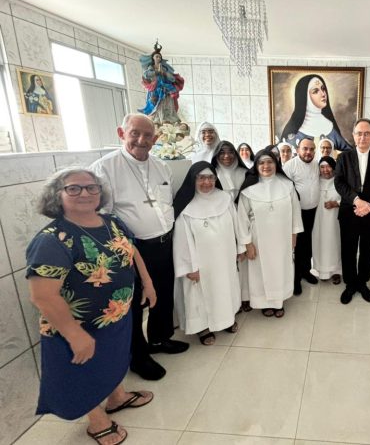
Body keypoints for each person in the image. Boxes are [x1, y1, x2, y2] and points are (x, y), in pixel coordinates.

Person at [26, 167, 155, 444]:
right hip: (76, 325)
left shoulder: (112, 222)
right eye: (73, 188)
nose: (84, 193)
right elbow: (42, 296)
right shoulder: (52, 239)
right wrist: (74, 334)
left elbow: (131, 250)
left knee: (113, 360)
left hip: (115, 315)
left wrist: (147, 282)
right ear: (57, 196)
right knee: (83, 373)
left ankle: (117, 397)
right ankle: (97, 421)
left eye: (91, 187)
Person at [91, 113, 189, 382]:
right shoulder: (104, 168)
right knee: (133, 303)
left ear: (156, 139)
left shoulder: (161, 166)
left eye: (148, 135)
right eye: (135, 133)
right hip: (132, 249)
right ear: (121, 133)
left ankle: (160, 338)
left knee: (163, 294)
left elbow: (165, 202)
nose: (141, 140)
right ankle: (138, 355)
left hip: (164, 242)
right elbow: (103, 216)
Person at [172, 162, 243, 345]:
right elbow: (181, 240)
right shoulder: (186, 206)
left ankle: (226, 319)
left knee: (225, 287)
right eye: (201, 178)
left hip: (225, 258)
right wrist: (190, 266)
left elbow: (237, 225)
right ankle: (203, 328)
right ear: (193, 180)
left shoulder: (225, 198)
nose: (207, 182)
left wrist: (240, 248)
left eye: (211, 178)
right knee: (200, 294)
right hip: (199, 263)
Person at [236, 150, 304, 317]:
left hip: (282, 237)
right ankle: (263, 302)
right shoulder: (248, 189)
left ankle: (279, 301)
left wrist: (294, 234)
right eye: (261, 163)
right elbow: (242, 219)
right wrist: (247, 244)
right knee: (260, 271)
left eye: (270, 162)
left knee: (280, 268)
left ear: (276, 164)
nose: (266, 166)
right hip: (258, 239)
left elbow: (296, 211)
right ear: (256, 166)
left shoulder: (287, 185)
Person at [334, 118, 370, 304]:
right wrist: (357, 201)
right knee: (348, 250)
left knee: (367, 250)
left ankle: (362, 283)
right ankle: (350, 284)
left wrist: (369, 205)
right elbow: (339, 183)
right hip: (349, 212)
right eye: (359, 133)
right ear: (353, 135)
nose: (363, 137)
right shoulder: (343, 157)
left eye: (367, 133)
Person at [210, 141, 251, 311]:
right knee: (228, 259)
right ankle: (231, 300)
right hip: (222, 220)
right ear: (216, 156)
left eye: (230, 152)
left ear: (235, 154)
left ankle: (245, 296)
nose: (226, 156)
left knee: (244, 258)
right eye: (222, 153)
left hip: (243, 218)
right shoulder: (212, 174)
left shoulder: (245, 173)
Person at [283, 138, 320, 295]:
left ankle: (306, 271)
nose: (308, 152)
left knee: (309, 244)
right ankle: (295, 279)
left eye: (311, 149)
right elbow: (285, 189)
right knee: (298, 247)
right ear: (298, 149)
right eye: (305, 149)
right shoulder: (289, 166)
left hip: (314, 211)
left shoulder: (316, 164)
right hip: (297, 212)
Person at [281, 74, 352, 151]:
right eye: (315, 91)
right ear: (305, 96)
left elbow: (349, 152)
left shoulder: (330, 127)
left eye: (323, 89)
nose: (323, 94)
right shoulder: (294, 132)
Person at [312, 156, 342, 284]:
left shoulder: (340, 181)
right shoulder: (315, 181)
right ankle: (323, 271)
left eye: (329, 166)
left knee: (335, 243)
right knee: (320, 243)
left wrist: (337, 203)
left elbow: (348, 199)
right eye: (322, 167)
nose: (325, 170)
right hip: (318, 220)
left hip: (335, 221)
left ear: (334, 167)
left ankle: (336, 271)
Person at [138, 42, 184, 124]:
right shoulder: (151, 67)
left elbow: (172, 78)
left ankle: (167, 118)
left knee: (166, 104)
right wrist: (156, 72)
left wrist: (165, 73)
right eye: (157, 56)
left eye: (159, 57)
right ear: (153, 58)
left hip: (165, 89)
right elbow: (146, 75)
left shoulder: (164, 68)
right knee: (154, 104)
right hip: (155, 89)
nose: (158, 58)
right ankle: (156, 119)